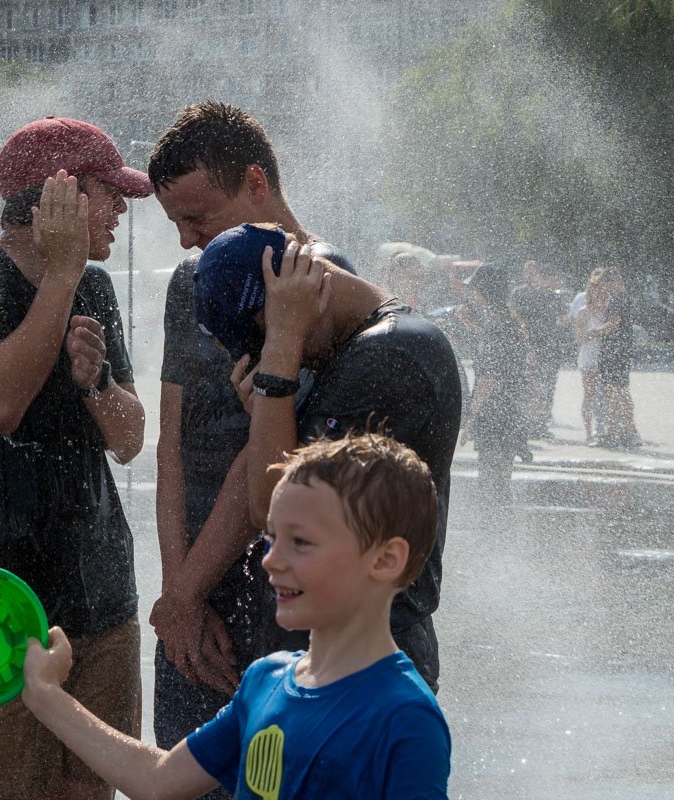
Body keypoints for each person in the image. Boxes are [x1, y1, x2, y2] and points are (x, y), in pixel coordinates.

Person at [20, 433, 452, 800]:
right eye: (271, 537)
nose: (271, 561)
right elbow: (158, 779)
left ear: (385, 559)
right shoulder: (265, 683)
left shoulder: (404, 718)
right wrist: (45, 694)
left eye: (300, 542)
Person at [0, 116, 147, 800]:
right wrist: (63, 272)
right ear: (62, 195)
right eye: (111, 194)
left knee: (94, 786)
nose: (123, 211)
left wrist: (97, 383)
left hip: (102, 590)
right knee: (4, 790)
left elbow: (131, 439)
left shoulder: (97, 289)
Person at [145, 101, 357, 786]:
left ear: (256, 185)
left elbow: (266, 463)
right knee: (175, 777)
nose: (185, 241)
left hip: (272, 596)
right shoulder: (193, 283)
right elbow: (172, 444)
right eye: (175, 222)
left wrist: (187, 592)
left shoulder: (314, 291)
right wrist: (179, 595)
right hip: (190, 596)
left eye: (198, 218)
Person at [194, 222, 461, 690]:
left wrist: (276, 366)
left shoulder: (389, 354)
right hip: (339, 648)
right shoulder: (362, 347)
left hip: (365, 660)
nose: (265, 356)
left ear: (297, 293)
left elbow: (272, 505)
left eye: (261, 338)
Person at [458, 262, 530, 503]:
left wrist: (471, 417)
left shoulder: (498, 325)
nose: (471, 293)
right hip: (508, 412)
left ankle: (493, 533)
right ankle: (499, 531)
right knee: (499, 483)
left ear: (486, 291)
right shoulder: (505, 321)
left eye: (475, 289)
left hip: (495, 416)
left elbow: (489, 376)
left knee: (491, 485)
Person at [510, 260, 567, 439]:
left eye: (534, 272)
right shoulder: (519, 293)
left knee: (548, 386)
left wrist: (556, 325)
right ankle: (526, 423)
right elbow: (514, 315)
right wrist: (527, 341)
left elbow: (564, 316)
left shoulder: (551, 295)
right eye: (527, 271)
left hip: (550, 348)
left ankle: (541, 424)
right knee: (529, 385)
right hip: (528, 346)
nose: (531, 275)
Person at [592, 267, 641, 448]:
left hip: (614, 351)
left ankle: (616, 433)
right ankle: (624, 432)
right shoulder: (626, 298)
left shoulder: (617, 299)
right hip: (622, 350)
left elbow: (613, 324)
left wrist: (594, 331)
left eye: (605, 283)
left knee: (614, 391)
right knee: (620, 390)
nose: (604, 288)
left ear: (613, 282)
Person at [571, 270, 607, 444]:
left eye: (601, 289)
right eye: (595, 290)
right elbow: (579, 339)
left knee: (606, 394)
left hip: (606, 358)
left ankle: (603, 429)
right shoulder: (584, 312)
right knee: (590, 395)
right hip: (589, 357)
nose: (599, 293)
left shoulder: (609, 310)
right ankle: (588, 432)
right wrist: (594, 334)